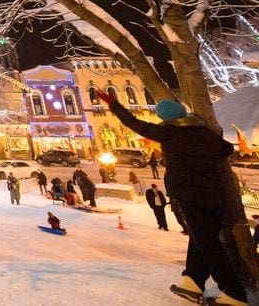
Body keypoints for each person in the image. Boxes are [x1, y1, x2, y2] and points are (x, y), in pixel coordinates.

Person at [98, 91, 247, 306]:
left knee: (208, 243)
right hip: (214, 194)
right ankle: (193, 281)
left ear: (167, 119)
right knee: (201, 239)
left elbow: (134, 123)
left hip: (189, 194)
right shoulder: (205, 132)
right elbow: (226, 149)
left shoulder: (169, 133)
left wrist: (114, 104)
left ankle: (234, 292)